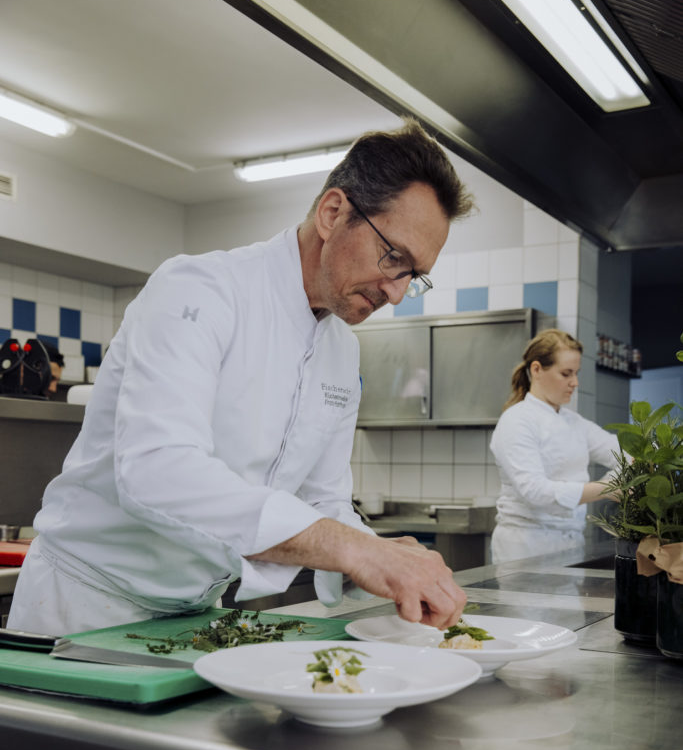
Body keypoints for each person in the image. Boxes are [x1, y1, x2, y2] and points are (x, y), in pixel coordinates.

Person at [8, 119, 475, 637]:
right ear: (332, 213)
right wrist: (355, 548)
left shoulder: (341, 349)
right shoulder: (200, 290)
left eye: (414, 276)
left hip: (195, 614)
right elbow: (158, 470)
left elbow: (324, 499)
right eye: (394, 257)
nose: (394, 292)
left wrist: (383, 560)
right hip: (82, 605)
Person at [489, 329, 619, 564]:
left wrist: (644, 461)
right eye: (566, 374)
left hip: (571, 544)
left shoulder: (574, 422)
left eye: (576, 374)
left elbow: (617, 451)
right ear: (536, 369)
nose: (575, 383)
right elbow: (535, 491)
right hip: (525, 548)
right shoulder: (516, 420)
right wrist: (608, 488)